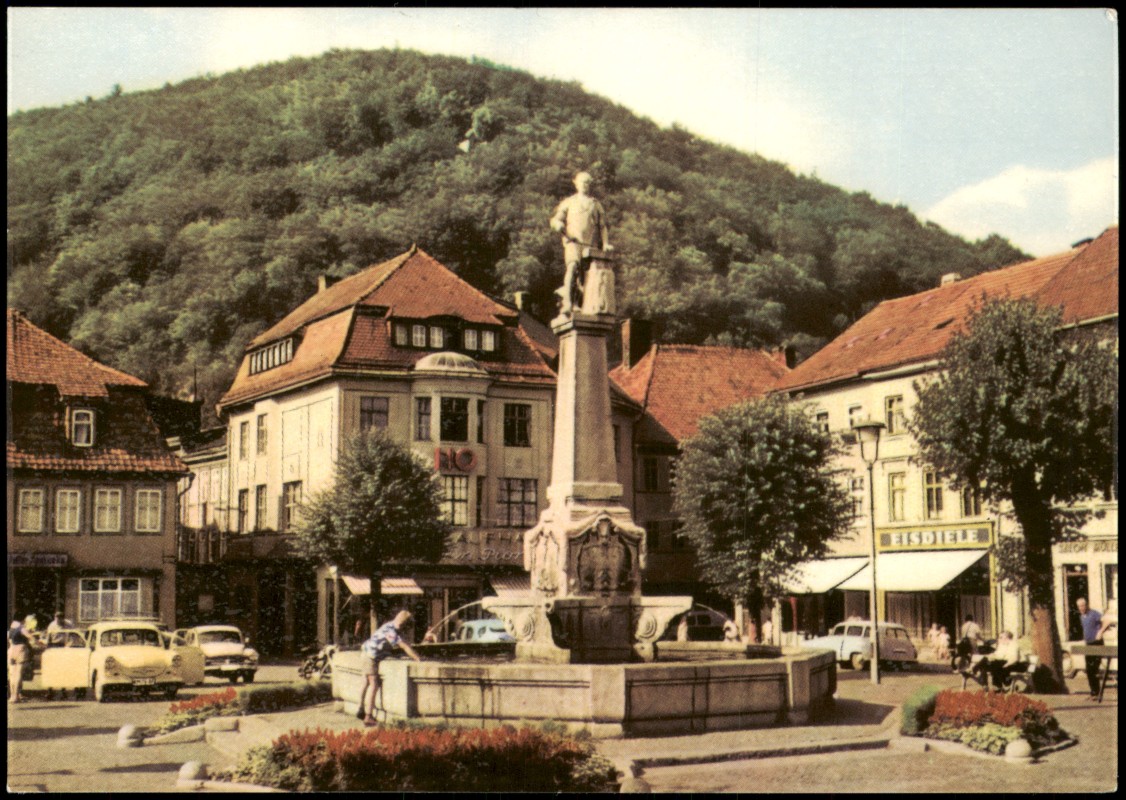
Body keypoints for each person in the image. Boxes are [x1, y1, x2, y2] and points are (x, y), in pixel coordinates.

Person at [549, 171, 612, 314]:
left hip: (590, 245)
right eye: (582, 182)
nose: (585, 185)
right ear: (576, 183)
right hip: (573, 242)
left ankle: (578, 304)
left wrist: (606, 243)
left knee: (585, 278)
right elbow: (556, 219)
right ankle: (567, 301)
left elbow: (602, 226)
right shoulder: (569, 202)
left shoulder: (595, 204)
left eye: (588, 182)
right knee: (572, 267)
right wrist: (558, 225)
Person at [358, 610, 422, 727]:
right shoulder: (392, 632)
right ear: (403, 625)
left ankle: (360, 708)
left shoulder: (388, 625)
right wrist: (417, 658)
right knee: (374, 684)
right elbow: (404, 646)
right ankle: (368, 716)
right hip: (370, 657)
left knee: (365, 682)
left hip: (365, 652)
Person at [1076, 597, 1105, 699]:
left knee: (1094, 668)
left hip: (1097, 643)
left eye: (1083, 605)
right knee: (1088, 669)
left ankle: (1097, 693)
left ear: (1086, 605)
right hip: (1088, 644)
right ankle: (1093, 692)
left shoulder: (1094, 613)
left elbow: (1107, 621)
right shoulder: (1082, 616)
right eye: (1079, 606)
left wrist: (1100, 632)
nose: (1081, 608)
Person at [8, 618, 32, 703]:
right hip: (20, 650)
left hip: (11, 650)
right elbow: (30, 636)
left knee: (12, 674)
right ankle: (16, 696)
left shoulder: (11, 629)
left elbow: (9, 639)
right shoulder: (21, 628)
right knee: (18, 674)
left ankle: (12, 696)